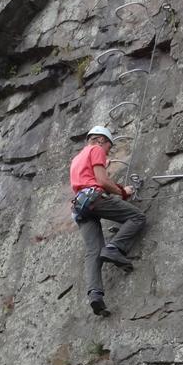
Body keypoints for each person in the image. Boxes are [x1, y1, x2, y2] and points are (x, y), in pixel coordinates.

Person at [69, 126, 147, 316]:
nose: (107, 152)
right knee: (137, 217)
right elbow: (102, 181)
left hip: (79, 206)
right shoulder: (96, 149)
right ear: (100, 141)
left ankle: (95, 295)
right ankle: (114, 249)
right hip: (94, 198)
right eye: (108, 148)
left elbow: (89, 177)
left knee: (93, 251)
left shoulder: (77, 158)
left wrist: (104, 164)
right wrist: (122, 192)